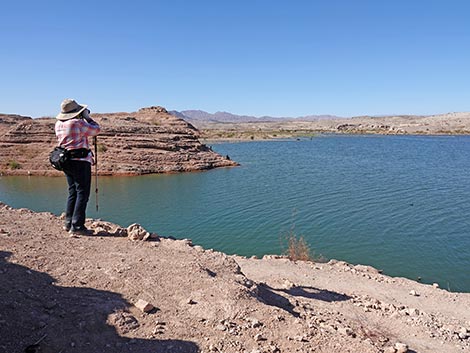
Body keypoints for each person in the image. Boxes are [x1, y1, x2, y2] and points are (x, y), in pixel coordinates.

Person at [55, 99, 100, 236]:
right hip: (80, 161)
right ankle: (78, 226)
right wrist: (88, 117)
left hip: (66, 161)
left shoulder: (58, 124)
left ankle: (69, 223)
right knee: (82, 193)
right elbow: (96, 130)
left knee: (73, 191)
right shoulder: (77, 123)